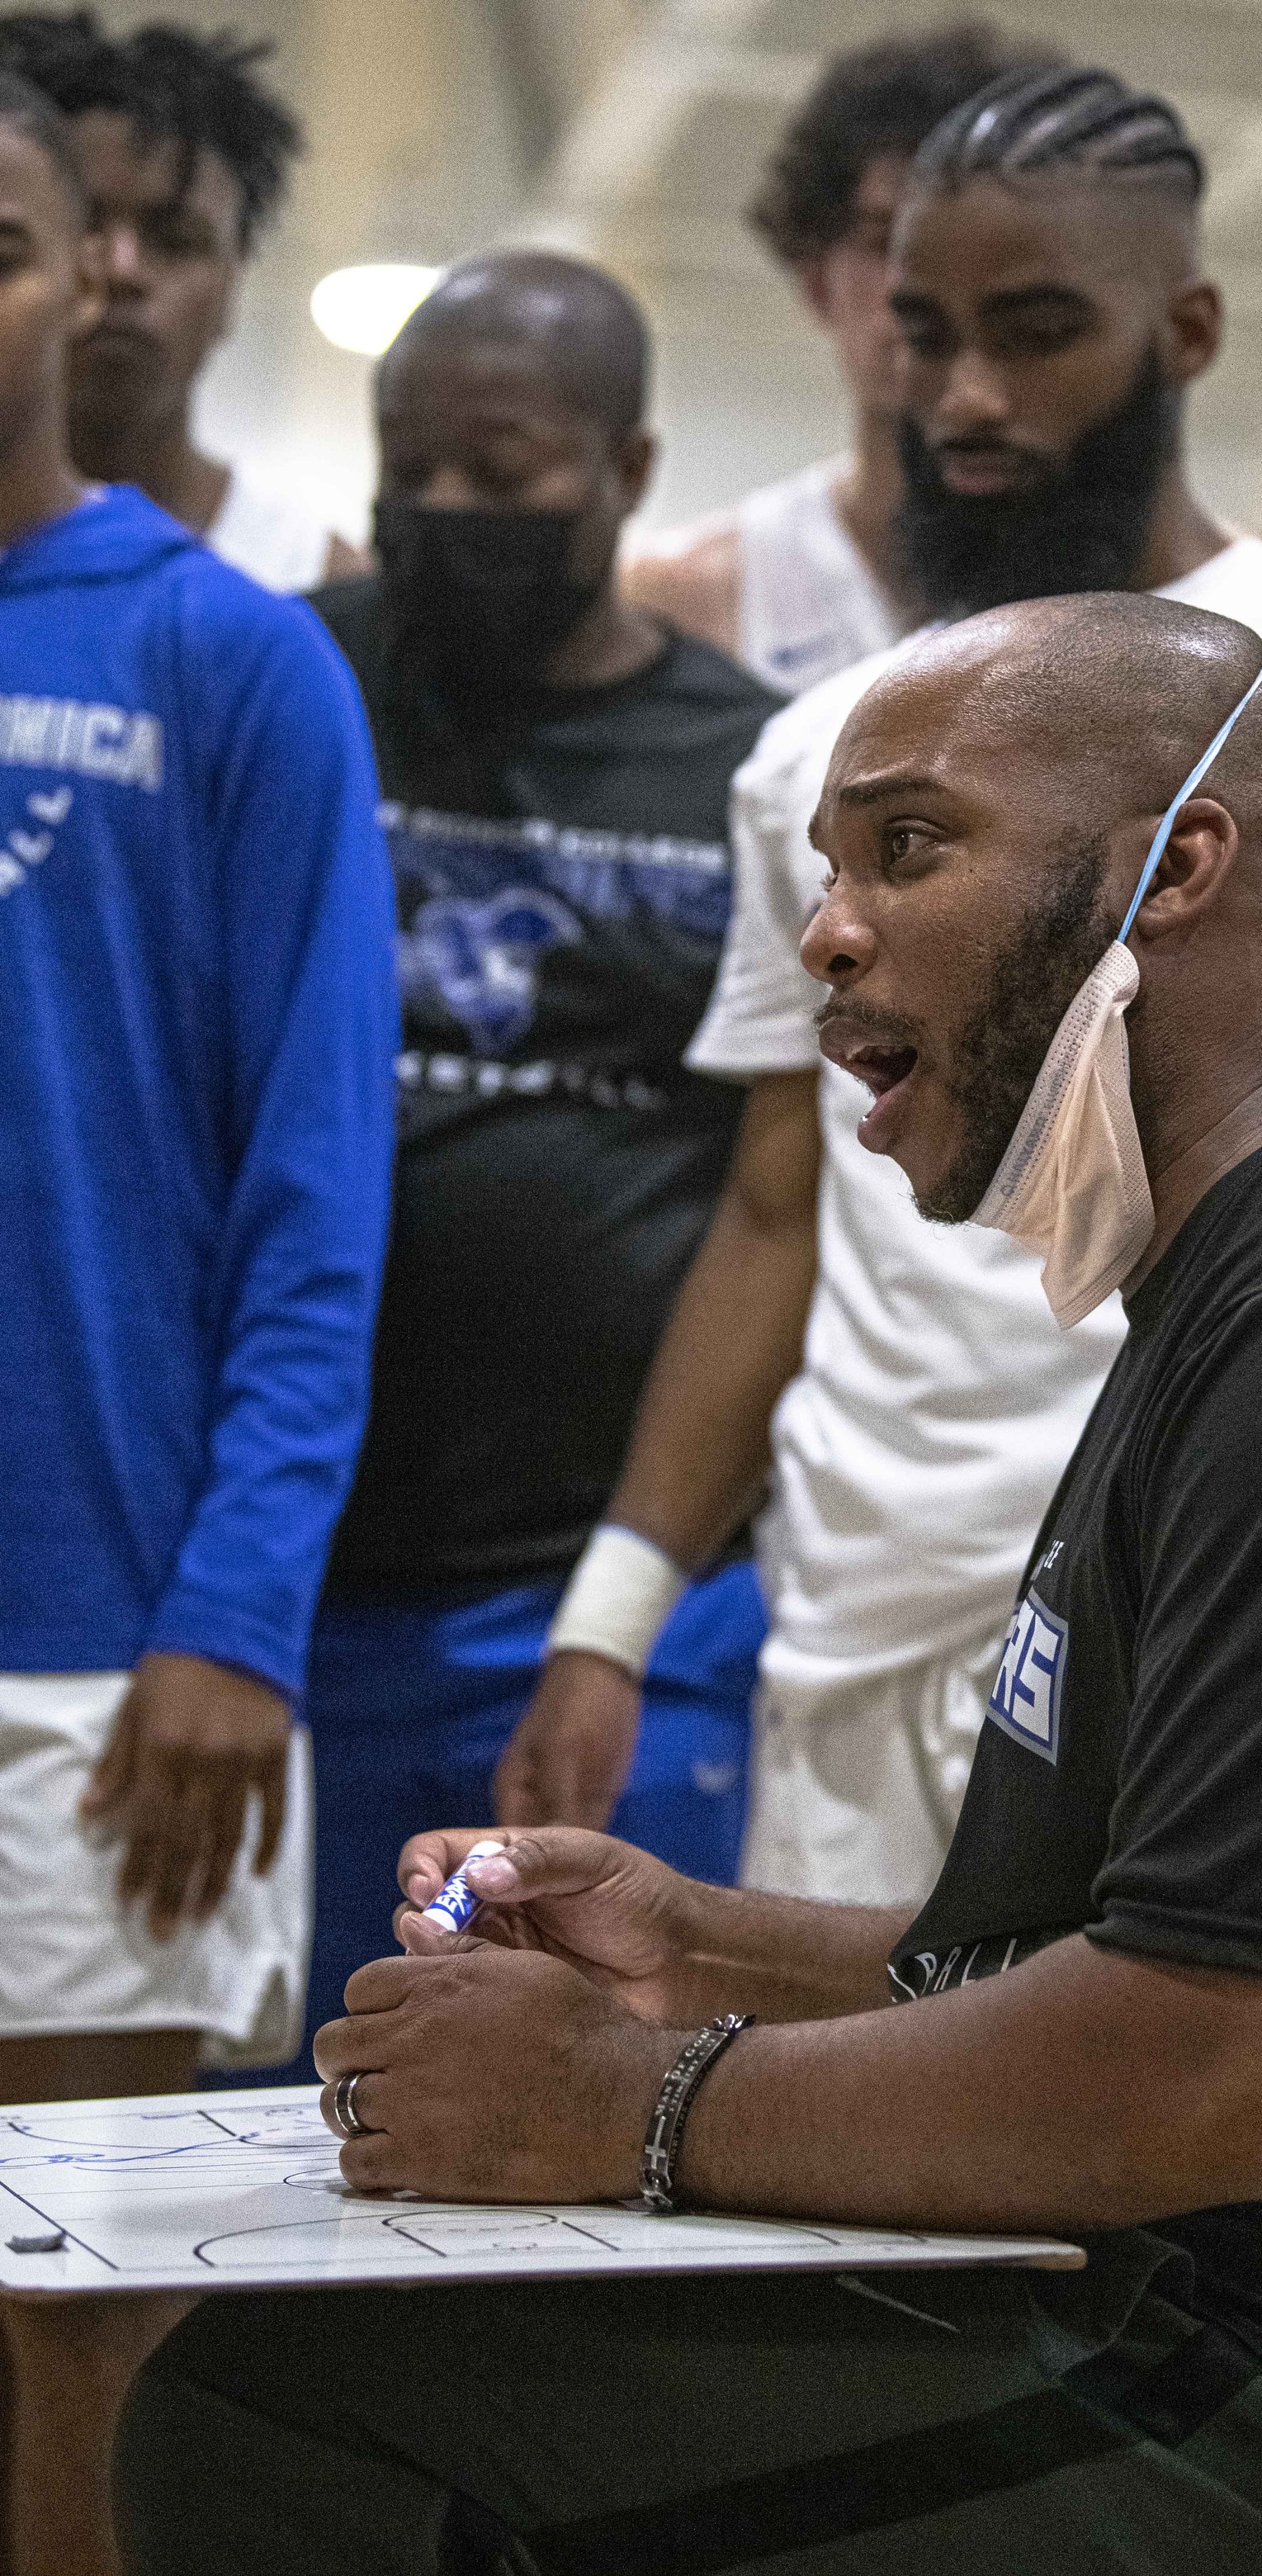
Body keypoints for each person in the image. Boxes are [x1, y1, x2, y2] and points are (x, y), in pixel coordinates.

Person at [119, 590, 1262, 2576]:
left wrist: (641, 2098)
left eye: (907, 846)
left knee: (284, 2422)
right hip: (1242, 2312)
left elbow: (1216, 2065)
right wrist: (706, 1946)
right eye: (825, 862)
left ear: (1176, 867)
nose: (826, 925)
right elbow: (1111, 1939)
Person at [519, 65, 1262, 1914]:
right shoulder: (812, 757)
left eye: (1036, 331)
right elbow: (776, 1204)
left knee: (1150, 2156)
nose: (966, 399)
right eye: (924, 335)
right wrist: (614, 1609)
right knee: (826, 2177)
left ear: (1189, 330)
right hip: (855, 1609)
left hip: (1208, 1581)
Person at [0, 71, 393, 2576]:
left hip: (101, 1662)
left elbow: (316, 1196)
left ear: (75, 285)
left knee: (71, 2320)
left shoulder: (231, 664)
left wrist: (234, 1614)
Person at [277, 253, 785, 2086]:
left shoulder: (744, 764)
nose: (448, 512)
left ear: (629, 465)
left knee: (594, 2125)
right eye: (413, 466)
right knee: (267, 2147)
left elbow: (773, 1205)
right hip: (289, 1595)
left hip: (597, 1605)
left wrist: (616, 1620)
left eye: (505, 470)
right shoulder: (302, 687)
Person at [624, 21, 1056, 695]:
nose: (924, 286)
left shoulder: (1144, 591)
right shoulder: (685, 596)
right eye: (887, 239)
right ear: (816, 280)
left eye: (969, 243)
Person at [0, 9, 363, 590]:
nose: (120, 270)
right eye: (84, 226)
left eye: (174, 241)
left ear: (234, 281)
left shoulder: (316, 583)